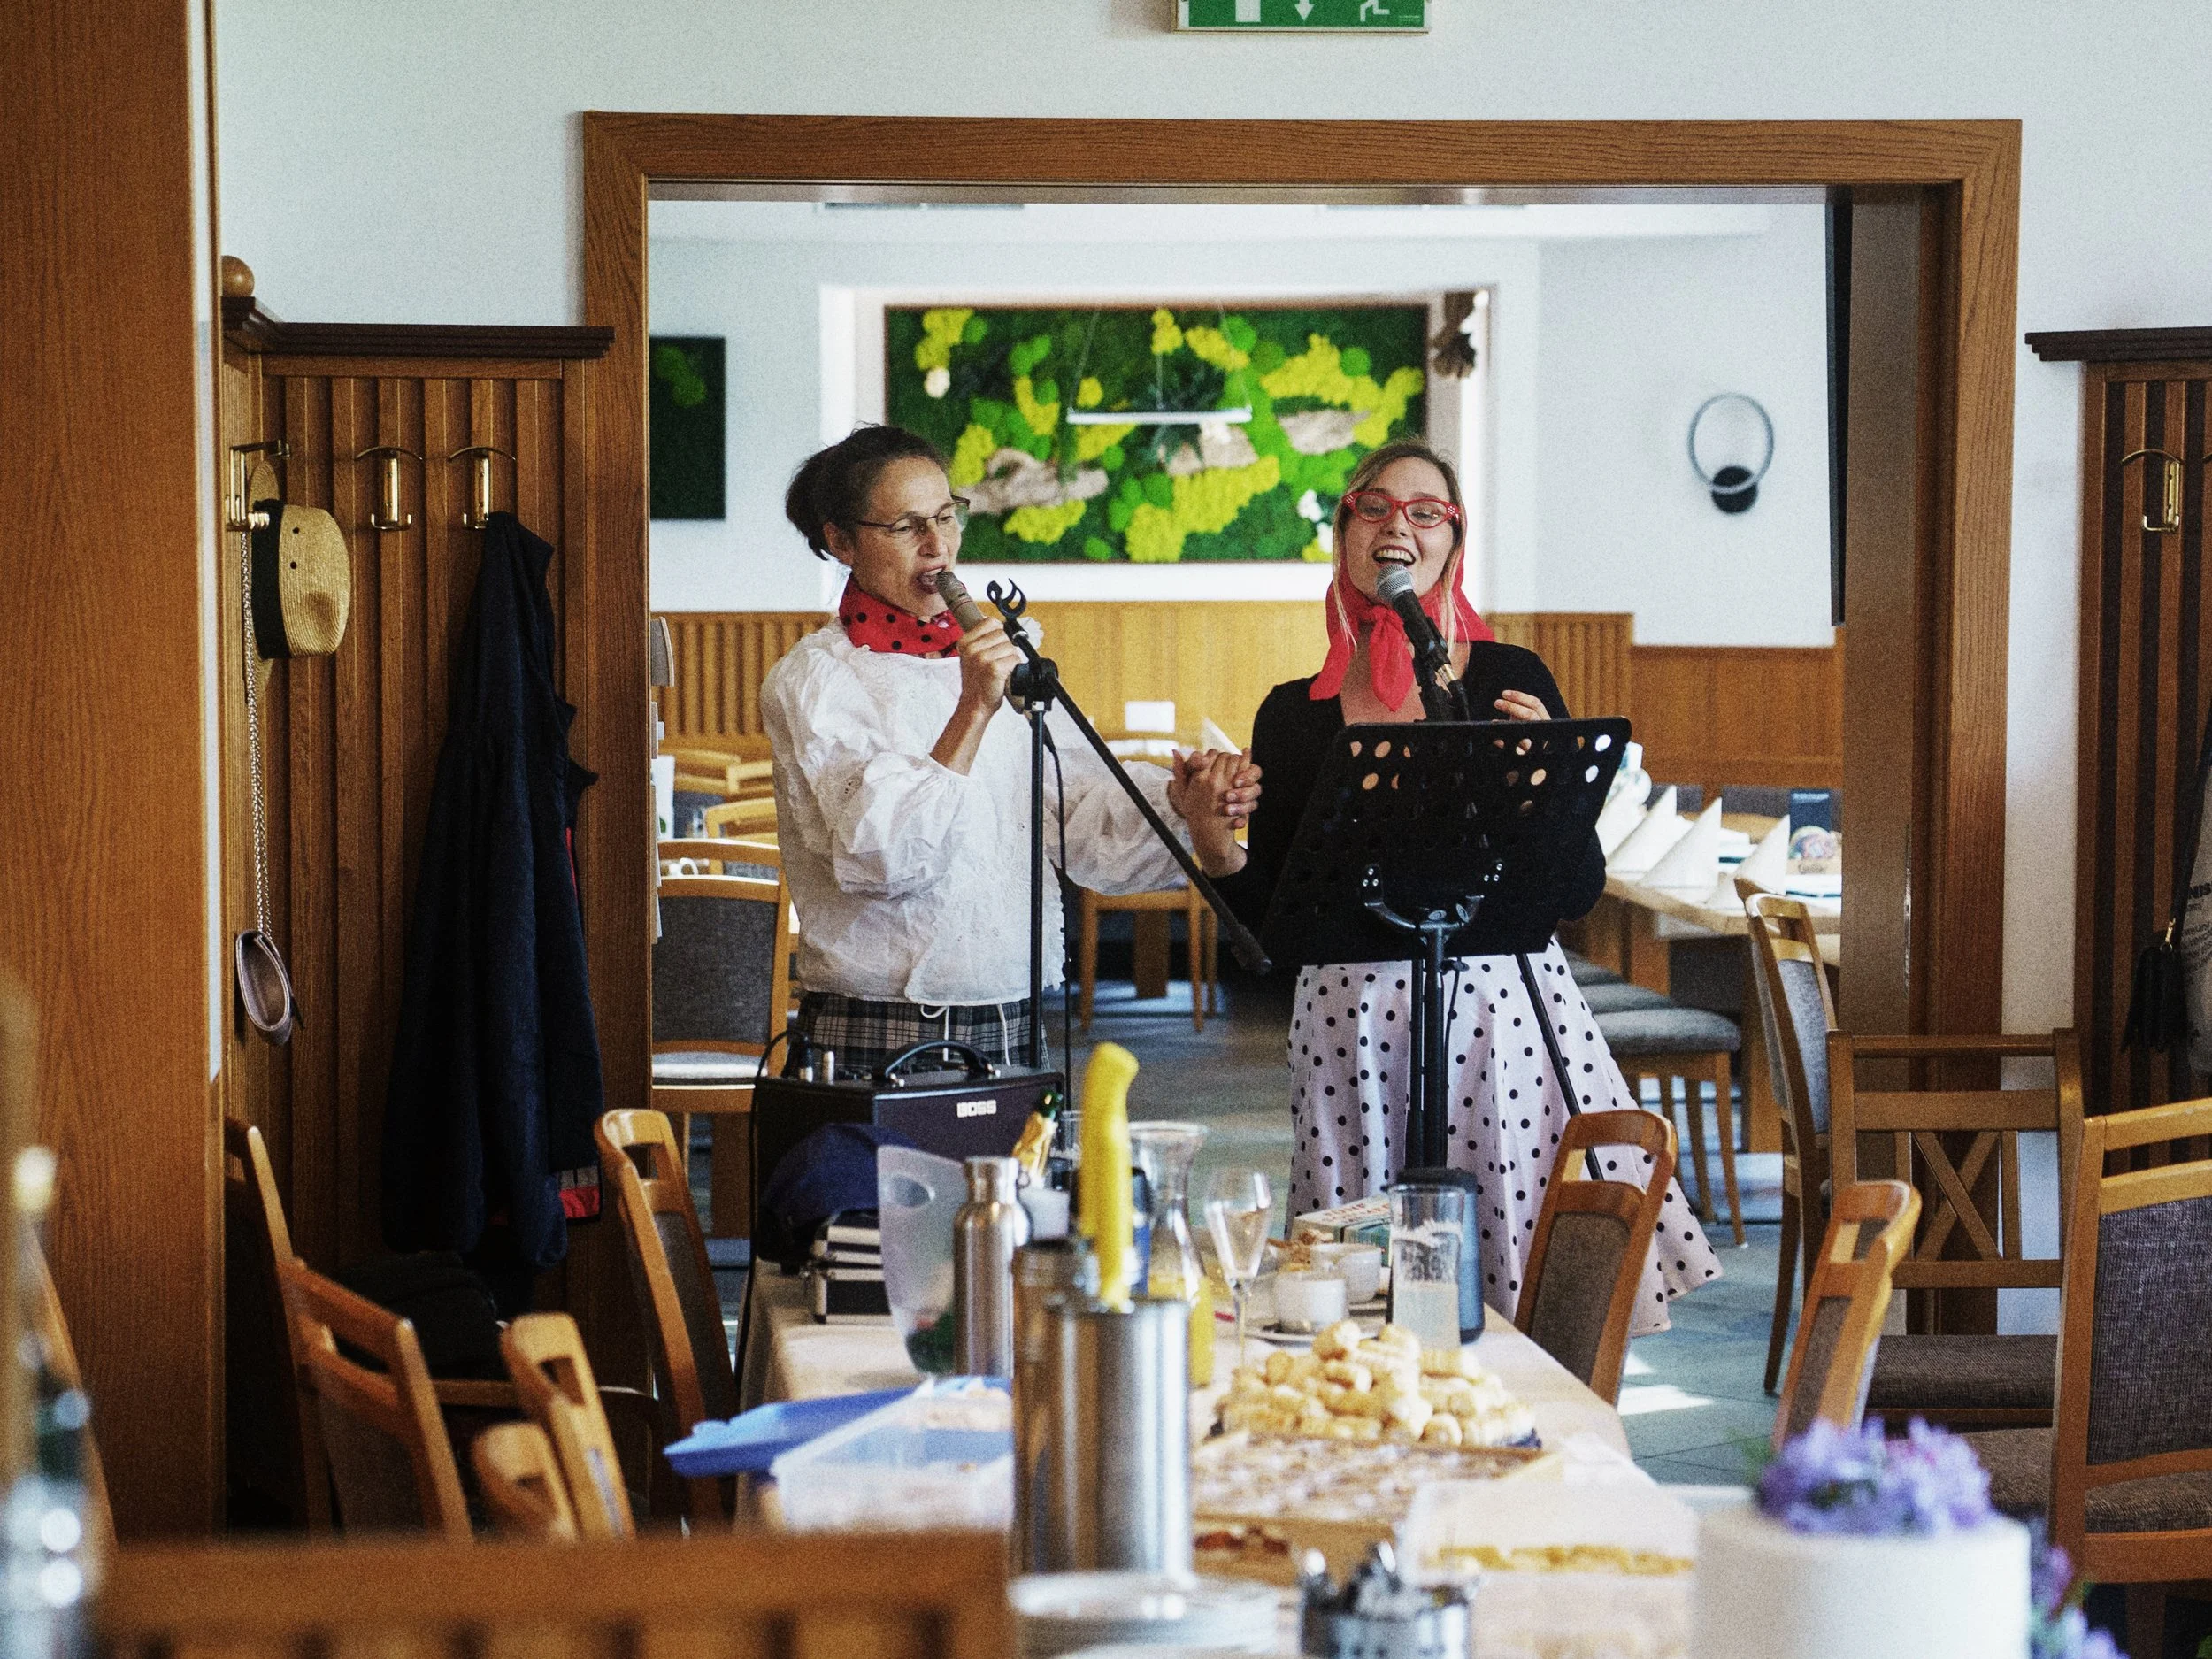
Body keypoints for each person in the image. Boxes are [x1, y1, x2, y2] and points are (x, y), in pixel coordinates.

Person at [1210, 438, 1718, 1330]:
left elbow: (1572, 889)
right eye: (1373, 506)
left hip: (1499, 1012)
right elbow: (1271, 931)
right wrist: (1212, 837)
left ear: (1451, 542)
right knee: (1356, 1302)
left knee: (1527, 1271)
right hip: (1349, 1020)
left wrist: (1541, 788)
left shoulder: (1508, 680)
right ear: (1343, 534)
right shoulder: (1293, 713)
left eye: (1423, 512)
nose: (1397, 525)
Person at [762, 425, 1257, 1074]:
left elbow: (1073, 819)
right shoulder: (817, 679)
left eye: (945, 516)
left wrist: (1178, 800)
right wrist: (973, 707)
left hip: (1015, 1013)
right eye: (907, 527)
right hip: (882, 1019)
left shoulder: (1006, 658)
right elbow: (880, 860)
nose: (938, 546)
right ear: (842, 541)